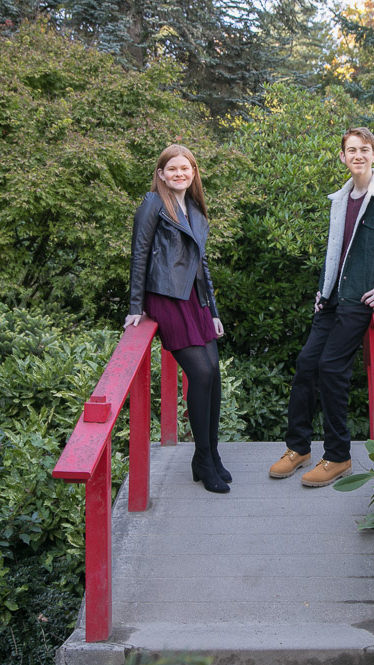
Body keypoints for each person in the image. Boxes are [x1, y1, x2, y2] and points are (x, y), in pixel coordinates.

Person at [269, 128, 374, 487]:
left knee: (331, 367)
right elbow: (336, 252)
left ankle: (338, 456)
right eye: (351, 150)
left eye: (364, 149)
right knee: (306, 363)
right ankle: (298, 448)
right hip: (331, 299)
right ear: (342, 157)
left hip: (360, 301)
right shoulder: (340, 199)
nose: (357, 155)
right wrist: (323, 288)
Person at [126, 144, 230, 494]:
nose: (179, 174)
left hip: (195, 299)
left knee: (213, 374)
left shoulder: (196, 210)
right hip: (166, 296)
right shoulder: (153, 203)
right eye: (172, 169)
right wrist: (134, 306)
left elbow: (202, 266)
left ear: (194, 172)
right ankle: (202, 457)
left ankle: (211, 455)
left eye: (185, 169)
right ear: (161, 174)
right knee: (200, 371)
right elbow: (139, 253)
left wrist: (213, 311)